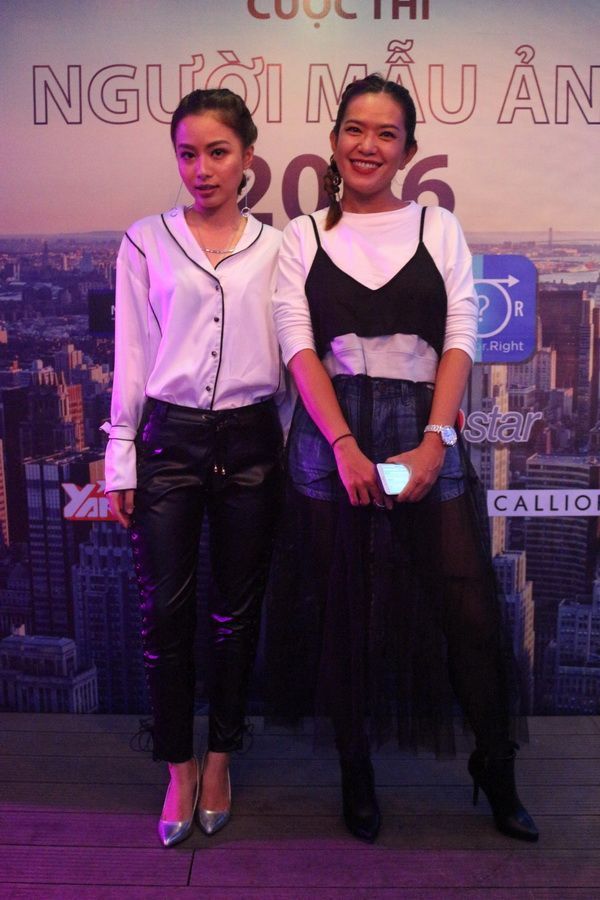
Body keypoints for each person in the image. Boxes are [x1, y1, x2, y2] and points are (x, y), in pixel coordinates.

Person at [270, 74, 538, 844]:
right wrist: (343, 446)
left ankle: (495, 765)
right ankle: (355, 770)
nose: (368, 145)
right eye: (355, 130)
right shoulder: (302, 236)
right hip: (332, 433)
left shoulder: (438, 227)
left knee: (469, 612)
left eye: (385, 134)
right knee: (344, 615)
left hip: (425, 424)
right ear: (333, 142)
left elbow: (461, 337)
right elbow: (297, 345)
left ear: (408, 151)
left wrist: (435, 440)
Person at [105, 88, 284, 847]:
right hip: (170, 442)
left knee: (237, 614)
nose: (201, 169)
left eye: (217, 152)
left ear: (247, 158)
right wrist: (121, 454)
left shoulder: (278, 248)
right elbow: (132, 351)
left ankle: (220, 760)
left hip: (252, 443)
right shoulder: (145, 240)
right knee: (165, 614)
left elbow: (295, 354)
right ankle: (178, 766)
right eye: (187, 154)